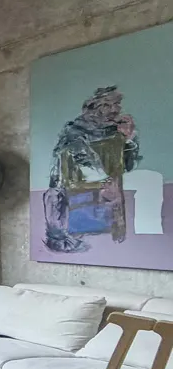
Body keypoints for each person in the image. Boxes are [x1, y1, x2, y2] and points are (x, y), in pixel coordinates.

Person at [43, 85, 140, 252]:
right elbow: (78, 157)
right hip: (71, 187)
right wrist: (103, 180)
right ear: (93, 107)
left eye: (116, 104)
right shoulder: (75, 129)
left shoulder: (114, 131)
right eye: (107, 105)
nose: (114, 110)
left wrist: (128, 139)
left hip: (107, 196)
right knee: (54, 197)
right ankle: (60, 239)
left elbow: (128, 165)